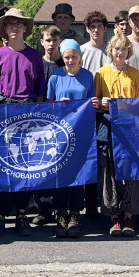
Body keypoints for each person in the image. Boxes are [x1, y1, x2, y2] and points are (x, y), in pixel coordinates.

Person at [0, 8, 47, 235]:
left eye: (19, 24)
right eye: (10, 24)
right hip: (0, 109)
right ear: (4, 30)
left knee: (23, 165)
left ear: (25, 29)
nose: (15, 28)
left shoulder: (35, 56)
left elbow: (39, 90)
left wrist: (37, 117)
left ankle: (21, 215)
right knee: (0, 164)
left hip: (26, 111)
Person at [45, 39, 98, 238]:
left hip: (81, 131)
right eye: (66, 57)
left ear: (80, 57)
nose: (70, 60)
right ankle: (60, 213)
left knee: (77, 173)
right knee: (60, 174)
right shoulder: (56, 76)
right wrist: (60, 103)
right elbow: (48, 104)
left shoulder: (87, 76)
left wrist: (91, 103)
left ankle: (75, 214)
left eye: (73, 56)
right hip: (59, 133)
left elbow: (92, 102)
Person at [95, 34, 139, 236]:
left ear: (128, 52)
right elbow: (95, 102)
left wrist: (132, 103)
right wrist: (101, 103)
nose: (119, 52)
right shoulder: (100, 73)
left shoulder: (135, 74)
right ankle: (113, 215)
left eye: (123, 49)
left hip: (129, 128)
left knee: (130, 172)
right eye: (116, 48)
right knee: (109, 171)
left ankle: (128, 215)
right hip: (107, 126)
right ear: (110, 51)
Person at [79, 10, 111, 75]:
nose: (96, 30)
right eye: (92, 27)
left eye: (99, 26)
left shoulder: (112, 50)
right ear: (87, 29)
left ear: (105, 29)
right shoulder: (80, 50)